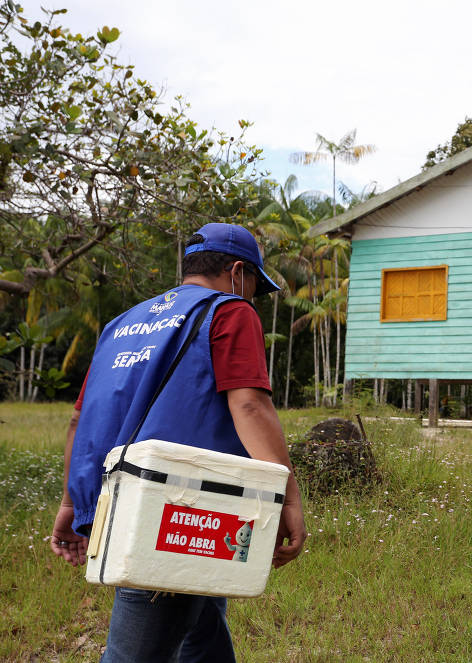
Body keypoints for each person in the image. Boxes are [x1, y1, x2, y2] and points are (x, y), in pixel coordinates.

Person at [49, 223, 307, 662]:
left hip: (129, 497)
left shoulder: (123, 323)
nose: (250, 299)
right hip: (174, 508)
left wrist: (73, 505)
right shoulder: (229, 311)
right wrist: (288, 498)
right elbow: (249, 407)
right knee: (137, 651)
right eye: (252, 289)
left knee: (201, 629)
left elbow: (80, 419)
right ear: (238, 272)